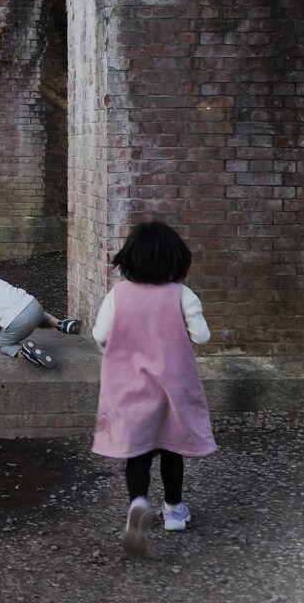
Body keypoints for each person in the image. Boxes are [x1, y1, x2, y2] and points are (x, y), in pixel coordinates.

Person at [91, 221, 216, 559]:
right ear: (177, 260)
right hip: (173, 386)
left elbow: (99, 334)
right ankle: (174, 510)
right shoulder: (182, 295)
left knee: (138, 453)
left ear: (129, 258)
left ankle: (138, 503)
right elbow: (202, 336)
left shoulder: (118, 294)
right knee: (172, 450)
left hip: (130, 387)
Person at [0, 249, 82, 368]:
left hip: (17, 321)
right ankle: (60, 324)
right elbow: (7, 308)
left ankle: (25, 352)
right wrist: (2, 336)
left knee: (3, 345)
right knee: (33, 313)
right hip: (33, 305)